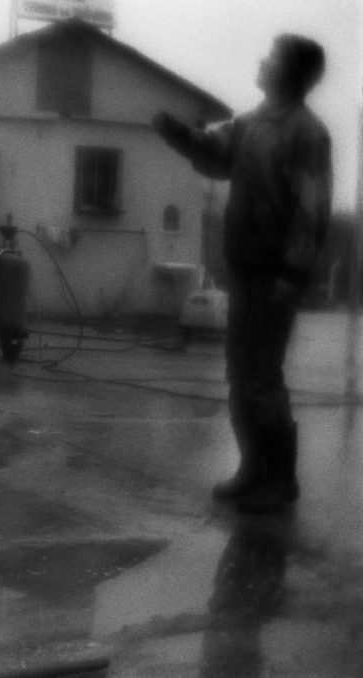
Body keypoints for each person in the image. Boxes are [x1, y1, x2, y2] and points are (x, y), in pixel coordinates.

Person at [153, 34, 332, 513]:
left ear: (291, 72)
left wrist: (292, 277)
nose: (262, 60)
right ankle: (253, 469)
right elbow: (215, 156)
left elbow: (310, 211)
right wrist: (181, 136)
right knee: (241, 373)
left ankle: (281, 479)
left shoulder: (306, 133)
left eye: (271, 57)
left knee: (262, 376)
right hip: (246, 267)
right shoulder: (253, 124)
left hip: (276, 275)